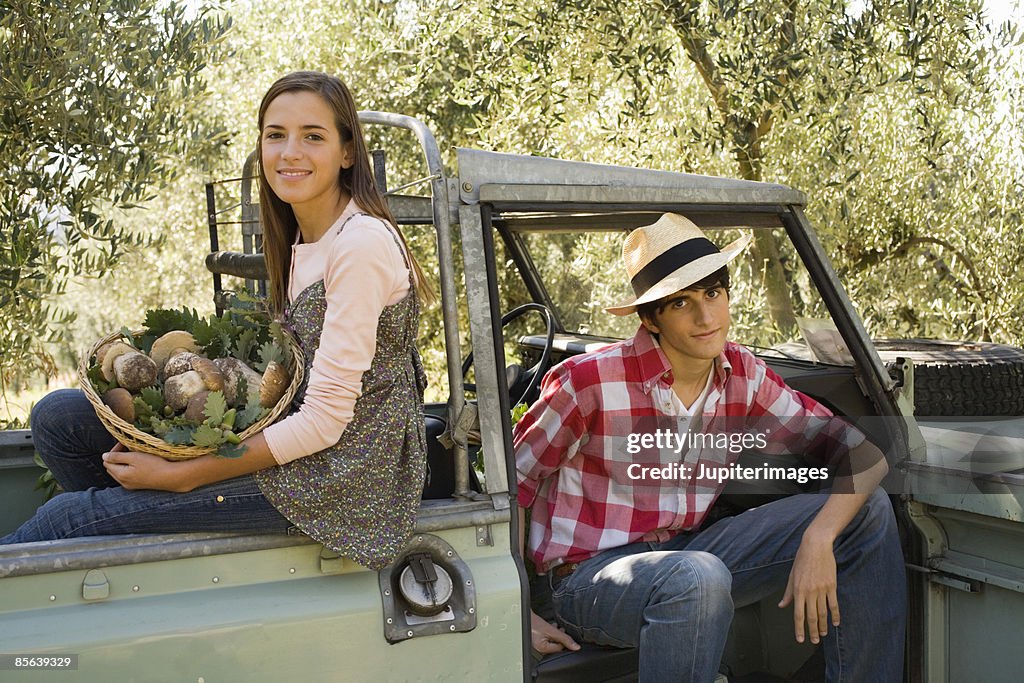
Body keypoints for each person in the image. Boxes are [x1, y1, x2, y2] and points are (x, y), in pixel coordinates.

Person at [2, 71, 430, 571]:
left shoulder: (360, 245)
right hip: (298, 439)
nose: (290, 151)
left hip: (339, 474)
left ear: (347, 152)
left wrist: (184, 475)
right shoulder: (300, 236)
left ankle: (123, 526)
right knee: (58, 420)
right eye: (276, 135)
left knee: (64, 522)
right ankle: (140, 547)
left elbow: (325, 423)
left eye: (313, 136)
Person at [515, 213, 905, 681]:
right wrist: (519, 615)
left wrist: (819, 539)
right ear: (649, 318)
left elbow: (861, 452)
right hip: (587, 581)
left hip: (696, 554)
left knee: (864, 511)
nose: (706, 317)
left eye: (713, 294)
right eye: (681, 303)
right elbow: (511, 487)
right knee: (696, 577)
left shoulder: (742, 373)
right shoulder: (588, 384)